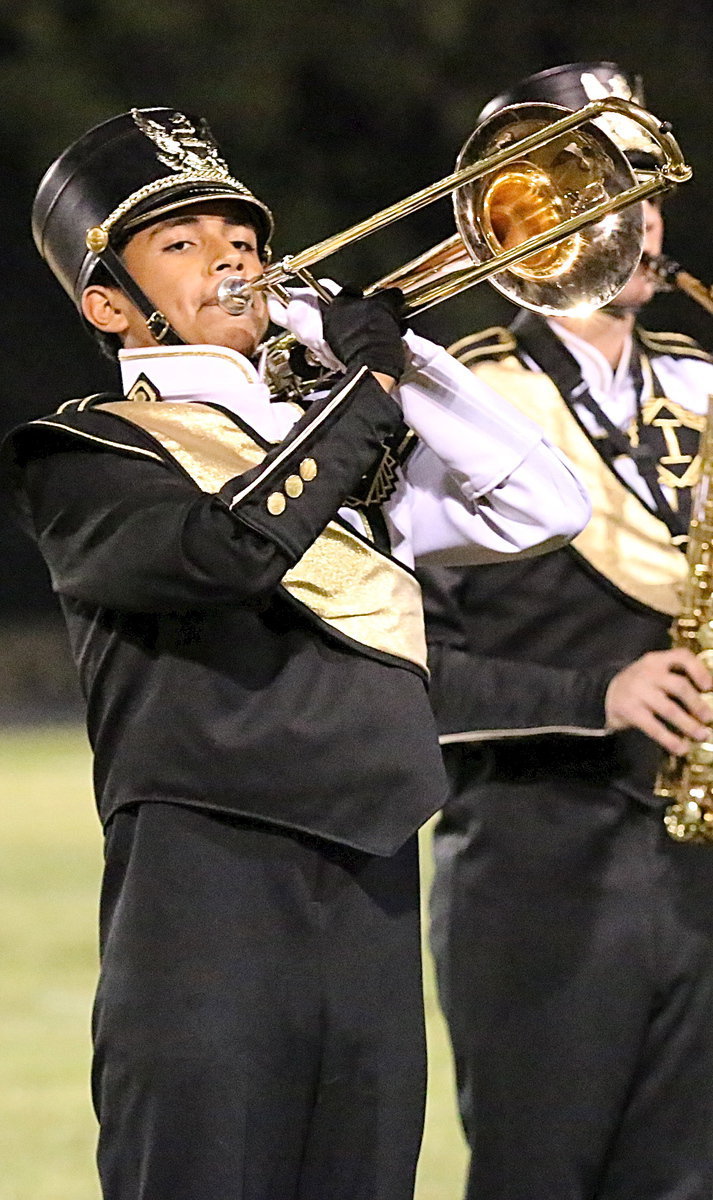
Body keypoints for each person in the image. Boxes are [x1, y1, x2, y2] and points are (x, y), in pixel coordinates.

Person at [0, 107, 589, 1200]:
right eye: (180, 245)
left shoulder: (333, 437)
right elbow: (225, 550)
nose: (230, 258)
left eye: (242, 240)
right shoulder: (84, 452)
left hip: (369, 881)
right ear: (108, 304)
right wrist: (359, 400)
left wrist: (394, 355)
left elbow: (542, 505)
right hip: (206, 890)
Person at [419, 62, 713, 1200]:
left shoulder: (701, 383)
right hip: (533, 869)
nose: (638, 219)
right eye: (604, 185)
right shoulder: (457, 403)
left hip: (695, 869)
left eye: (645, 188)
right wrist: (598, 690)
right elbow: (412, 670)